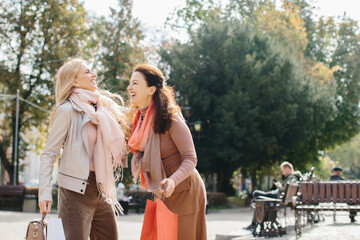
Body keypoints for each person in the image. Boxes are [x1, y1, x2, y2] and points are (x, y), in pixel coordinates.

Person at [38, 59, 129, 240]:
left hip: (101, 188)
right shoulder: (66, 110)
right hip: (75, 191)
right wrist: (44, 193)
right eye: (87, 72)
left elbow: (133, 114)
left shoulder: (104, 107)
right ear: (75, 81)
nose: (94, 75)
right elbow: (49, 154)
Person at [127, 64, 207, 240]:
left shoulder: (170, 117)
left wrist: (173, 180)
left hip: (184, 187)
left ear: (151, 89)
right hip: (162, 189)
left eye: (135, 83)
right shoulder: (138, 121)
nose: (129, 87)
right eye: (130, 83)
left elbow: (190, 158)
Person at [245, 161, 302, 230]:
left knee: (256, 194)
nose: (282, 173)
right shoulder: (294, 177)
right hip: (278, 195)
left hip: (277, 197)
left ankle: (254, 224)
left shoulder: (291, 177)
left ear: (287, 168)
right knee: (258, 198)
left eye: (283, 171)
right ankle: (254, 224)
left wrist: (279, 186)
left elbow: (283, 190)